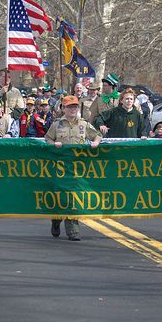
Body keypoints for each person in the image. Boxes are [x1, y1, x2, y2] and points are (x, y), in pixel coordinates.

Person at [45, 95, 102, 241]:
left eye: (75, 107)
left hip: (78, 167)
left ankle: (73, 230)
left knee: (74, 197)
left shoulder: (83, 124)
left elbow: (97, 135)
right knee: (61, 198)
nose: (73, 109)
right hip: (60, 167)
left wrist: (95, 142)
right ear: (63, 108)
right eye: (69, 107)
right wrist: (53, 144)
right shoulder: (57, 125)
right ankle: (56, 220)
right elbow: (48, 139)